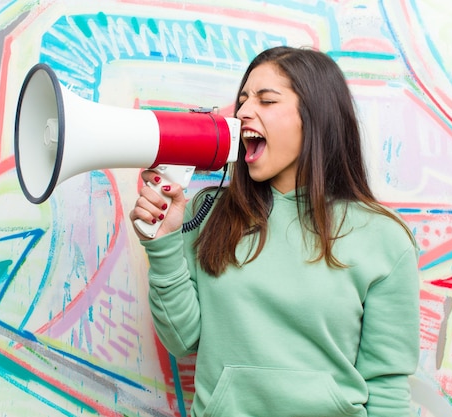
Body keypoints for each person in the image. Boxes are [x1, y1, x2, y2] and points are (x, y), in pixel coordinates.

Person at [129, 46, 420, 417]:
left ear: (315, 117)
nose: (244, 111)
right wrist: (162, 243)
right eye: (243, 100)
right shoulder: (210, 212)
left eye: (266, 101)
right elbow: (182, 339)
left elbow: (387, 386)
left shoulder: (384, 238)